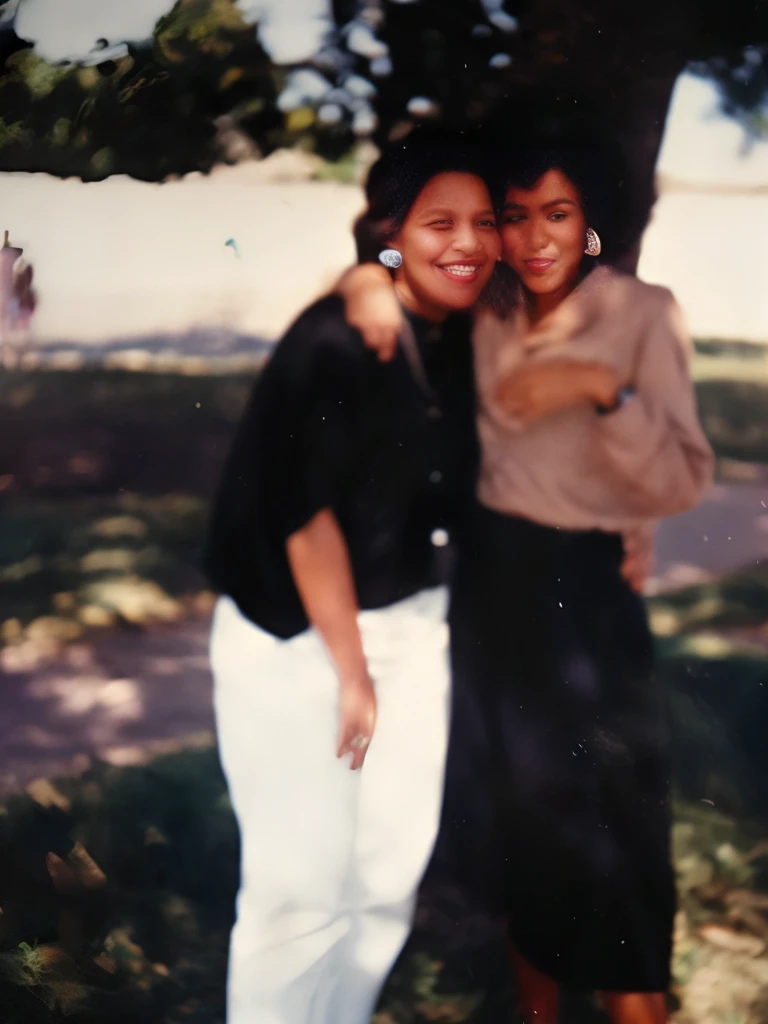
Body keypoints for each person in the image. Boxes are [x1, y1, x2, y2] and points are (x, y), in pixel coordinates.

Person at [336, 133, 714, 1024]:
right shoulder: (486, 303)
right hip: (493, 588)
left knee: (616, 821)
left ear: (589, 224)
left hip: (587, 595)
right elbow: (393, 255)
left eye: (558, 213)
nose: (536, 238)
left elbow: (682, 478)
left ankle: (636, 1008)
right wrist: (365, 279)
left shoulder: (641, 312)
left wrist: (601, 391)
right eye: (515, 217)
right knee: (517, 819)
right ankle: (537, 1009)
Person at [203, 130, 502, 1024]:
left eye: (483, 222)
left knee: (385, 881)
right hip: (303, 641)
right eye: (439, 221)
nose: (468, 242)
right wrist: (353, 672)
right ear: (389, 231)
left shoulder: (452, 331)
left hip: (411, 624)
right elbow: (305, 518)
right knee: (298, 894)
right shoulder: (338, 340)